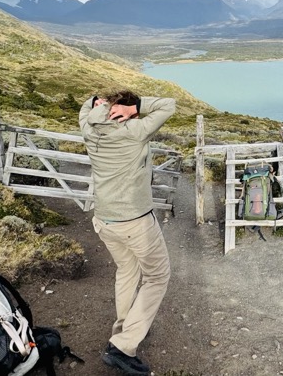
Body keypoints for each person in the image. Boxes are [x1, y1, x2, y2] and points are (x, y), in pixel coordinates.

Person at [78, 89, 175, 376]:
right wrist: (136, 108)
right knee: (158, 276)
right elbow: (169, 104)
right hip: (134, 221)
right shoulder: (133, 131)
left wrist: (99, 102)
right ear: (126, 110)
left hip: (105, 219)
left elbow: (86, 108)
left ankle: (124, 329)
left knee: (127, 271)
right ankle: (123, 346)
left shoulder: (88, 126)